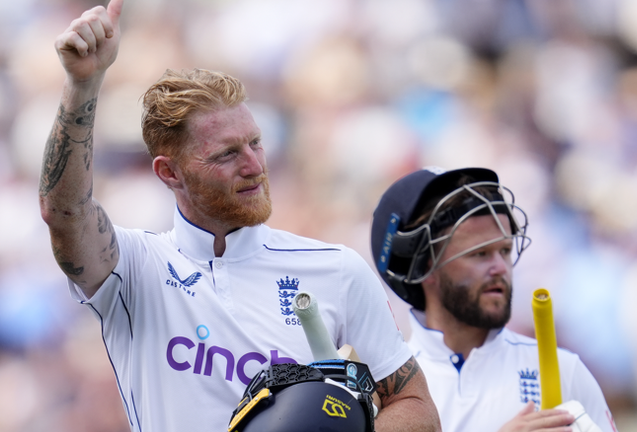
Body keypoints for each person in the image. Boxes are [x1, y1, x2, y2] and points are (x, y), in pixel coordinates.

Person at [38, 1, 441, 431]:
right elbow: (64, 213)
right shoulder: (135, 269)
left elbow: (415, 406)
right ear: (169, 172)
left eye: (255, 143)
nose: (254, 165)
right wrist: (83, 85)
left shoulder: (337, 269)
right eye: (228, 153)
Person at [370, 166, 619, 432]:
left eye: (505, 250)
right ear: (424, 267)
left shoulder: (566, 371)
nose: (501, 267)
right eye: (480, 254)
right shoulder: (387, 393)